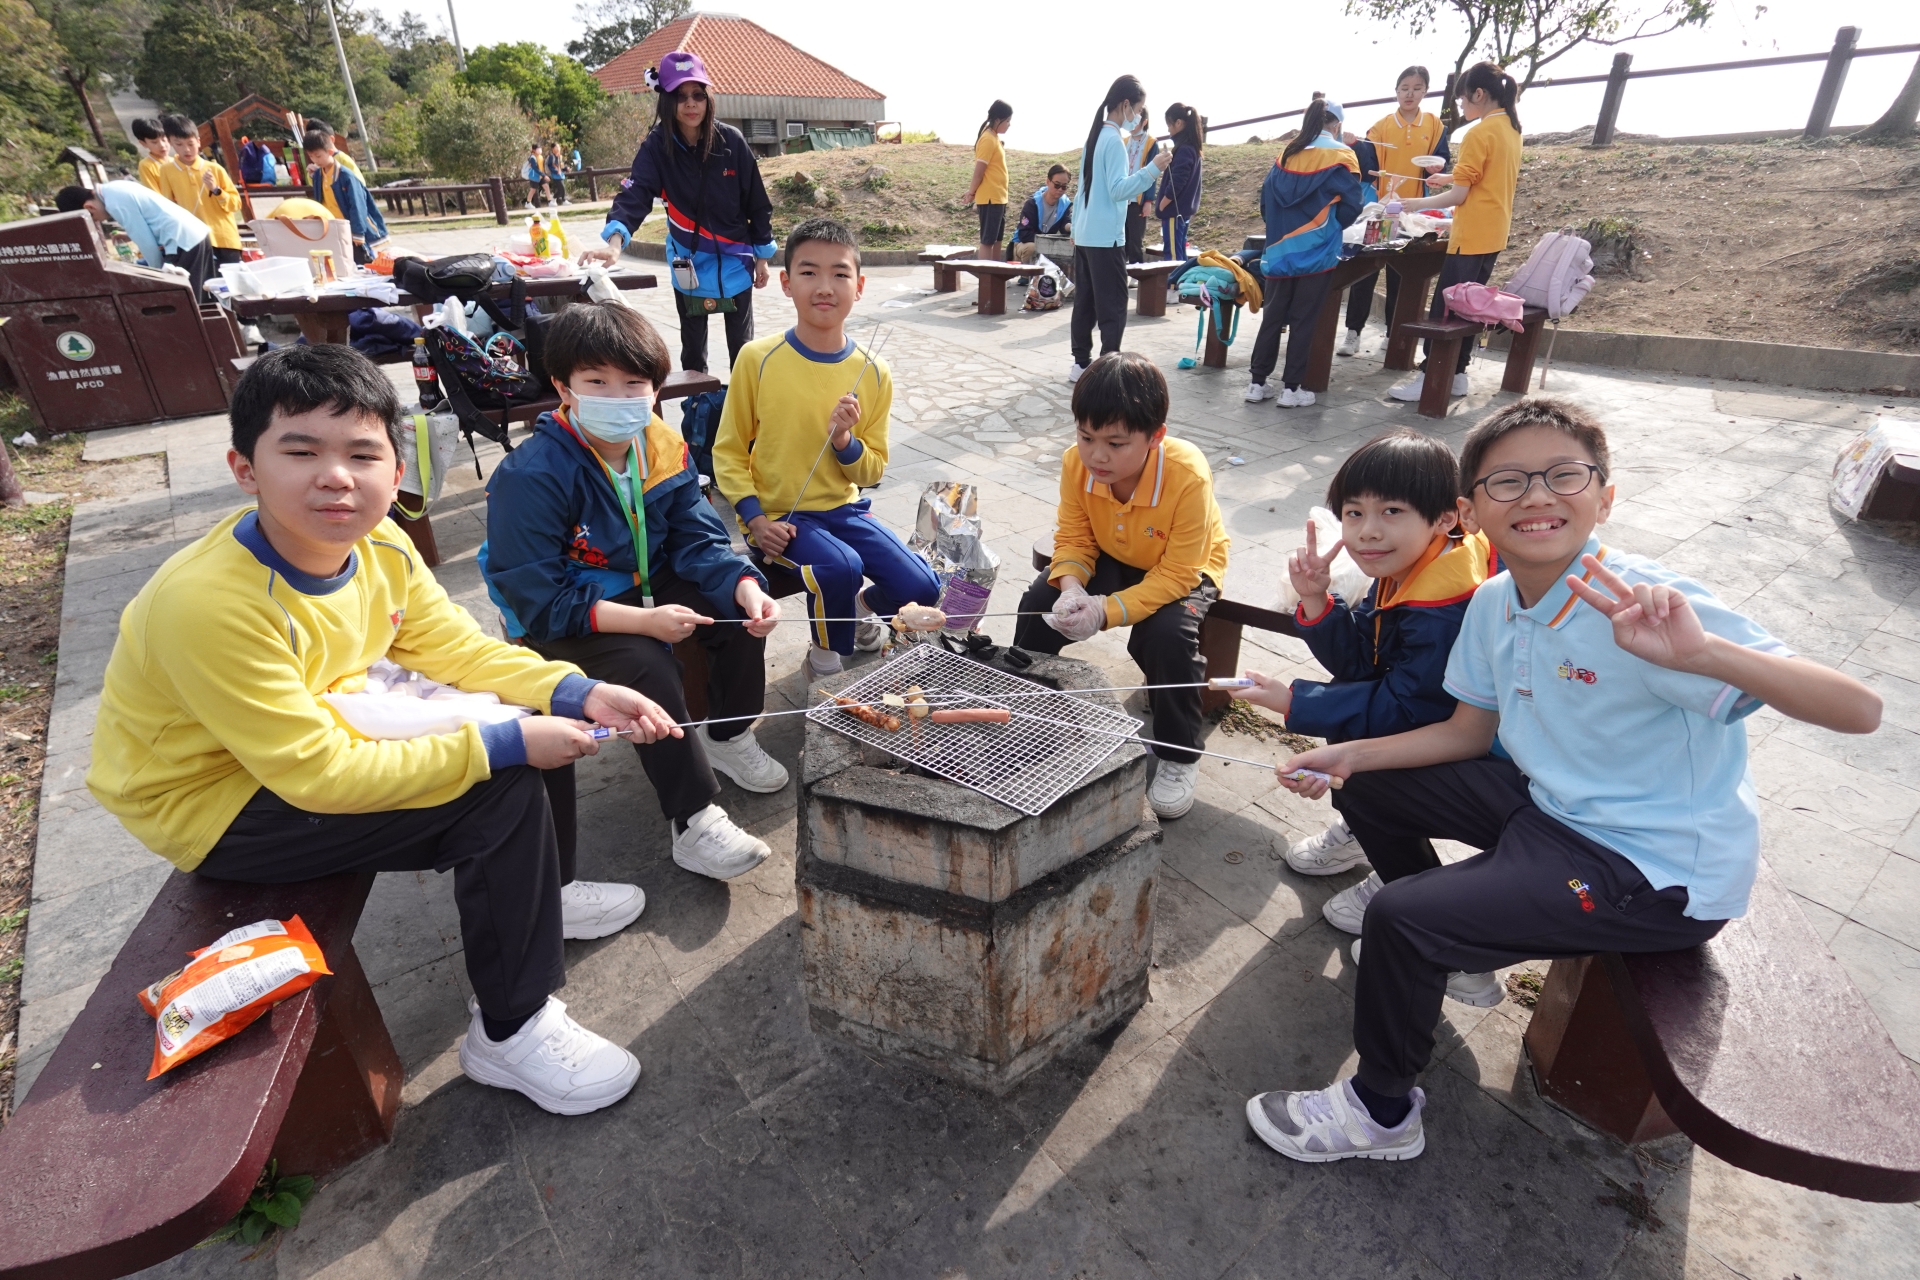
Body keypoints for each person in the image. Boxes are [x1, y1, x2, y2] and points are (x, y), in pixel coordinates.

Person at [1245, 397, 1882, 1163]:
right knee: (1372, 785)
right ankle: (1458, 941)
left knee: (1401, 919)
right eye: (1508, 481)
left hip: (1651, 867)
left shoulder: (1642, 602)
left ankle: (1381, 1115)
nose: (1537, 495)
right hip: (1549, 811)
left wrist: (1704, 656)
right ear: (1470, 512)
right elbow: (1465, 733)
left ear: (1604, 497)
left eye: (1563, 475)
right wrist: (1349, 756)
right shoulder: (1492, 600)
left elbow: (1860, 710)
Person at [87, 344, 689, 1116]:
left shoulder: (379, 543)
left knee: (536, 718)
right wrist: (508, 744)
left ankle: (545, 895)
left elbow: (457, 650)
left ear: (396, 468)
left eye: (363, 454)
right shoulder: (207, 604)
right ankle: (511, 1030)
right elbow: (319, 775)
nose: (337, 477)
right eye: (301, 452)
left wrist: (578, 690)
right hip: (216, 802)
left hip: (311, 729)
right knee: (500, 783)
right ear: (245, 470)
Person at [482, 302, 785, 878]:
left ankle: (726, 734)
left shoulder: (661, 446)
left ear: (655, 389)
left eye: (633, 384)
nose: (617, 397)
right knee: (646, 665)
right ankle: (693, 820)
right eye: (597, 382)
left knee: (734, 613)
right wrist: (644, 622)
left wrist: (744, 583)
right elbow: (538, 599)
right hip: (568, 604)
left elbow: (697, 536)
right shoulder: (532, 473)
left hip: (647, 577)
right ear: (563, 387)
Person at [1238, 431, 1494, 914]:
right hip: (1446, 721)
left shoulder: (1445, 606)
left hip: (1495, 752)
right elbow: (1362, 663)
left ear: (1447, 517)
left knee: (1358, 764)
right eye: (1354, 513)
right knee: (1349, 708)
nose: (1367, 531)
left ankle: (1410, 890)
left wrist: (1293, 701)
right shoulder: (1416, 563)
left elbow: (1410, 708)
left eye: (1391, 511)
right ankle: (1366, 833)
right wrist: (1316, 598)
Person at [711, 218, 940, 680]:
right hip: (780, 518)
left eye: (839, 273)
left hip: (844, 511)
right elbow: (728, 452)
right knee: (841, 567)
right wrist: (756, 520)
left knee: (922, 584)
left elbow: (872, 471)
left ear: (859, 286)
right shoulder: (757, 358)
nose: (824, 286)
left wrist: (843, 441)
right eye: (808, 272)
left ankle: (856, 611)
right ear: (786, 283)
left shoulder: (874, 371)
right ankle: (824, 664)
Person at [1012, 352, 1230, 822]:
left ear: (1156, 436)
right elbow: (1074, 537)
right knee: (1039, 602)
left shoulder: (1187, 474)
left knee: (1167, 638)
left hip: (1184, 566)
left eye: (1115, 443)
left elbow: (1178, 574)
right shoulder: (1076, 464)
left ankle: (1178, 754)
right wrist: (1072, 588)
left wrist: (1105, 610)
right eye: (1086, 437)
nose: (1097, 456)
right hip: (1114, 551)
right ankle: (1027, 707)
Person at [582, 50, 775, 376]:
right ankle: (697, 408)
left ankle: (743, 410)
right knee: (693, 356)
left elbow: (757, 202)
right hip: (689, 267)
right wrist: (615, 243)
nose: (690, 104)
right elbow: (636, 194)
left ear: (708, 98)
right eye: (680, 96)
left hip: (736, 262)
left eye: (698, 94)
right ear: (667, 100)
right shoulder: (657, 146)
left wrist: (762, 257)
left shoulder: (732, 141)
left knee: (743, 352)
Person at [1388, 62, 1524, 403]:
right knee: (1472, 307)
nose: (1461, 106)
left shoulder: (1479, 132)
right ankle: (1457, 373)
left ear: (1479, 94)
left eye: (1462, 99)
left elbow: (1459, 196)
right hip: (1494, 231)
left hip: (1472, 233)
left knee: (1447, 309)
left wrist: (1414, 204)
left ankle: (1431, 376)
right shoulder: (1510, 128)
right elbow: (1484, 176)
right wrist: (1450, 177)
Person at [1245, 96, 1364, 409]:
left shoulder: (1286, 154)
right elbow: (1353, 205)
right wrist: (1330, 227)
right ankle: (1291, 389)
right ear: (1337, 124)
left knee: (1272, 318)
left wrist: (1280, 232)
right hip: (1317, 252)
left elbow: (1266, 202)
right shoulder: (1343, 155)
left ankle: (1257, 383)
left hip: (1278, 251)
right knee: (1303, 321)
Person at [1337, 66, 1450, 358]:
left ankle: (1393, 333)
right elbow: (1367, 165)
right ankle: (1353, 332)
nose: (1410, 94)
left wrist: (1438, 167)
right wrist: (1353, 144)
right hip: (1380, 209)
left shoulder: (1435, 125)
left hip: (1414, 213)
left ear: (1425, 91)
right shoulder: (1381, 126)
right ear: (1396, 91)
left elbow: (1442, 160)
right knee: (1365, 271)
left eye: (1417, 88)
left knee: (1403, 273)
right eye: (1404, 88)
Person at [1068, 75, 1172, 384]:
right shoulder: (1113, 140)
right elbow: (1117, 190)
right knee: (1113, 305)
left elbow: (1082, 190)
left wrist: (1075, 228)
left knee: (1085, 302)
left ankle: (1081, 364)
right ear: (1126, 105)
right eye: (1138, 109)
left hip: (1086, 234)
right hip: (1105, 237)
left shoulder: (1095, 136)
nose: (1138, 116)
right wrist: (1153, 169)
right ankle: (1107, 367)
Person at [55, 181, 216, 297]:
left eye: (93, 218)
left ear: (89, 207)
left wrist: (160, 278)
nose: (98, 221)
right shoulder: (113, 188)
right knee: (205, 292)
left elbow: (148, 245)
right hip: (194, 233)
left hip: (182, 242)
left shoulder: (114, 203)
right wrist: (128, 235)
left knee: (186, 297)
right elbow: (150, 217)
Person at [157, 114, 244, 267]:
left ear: (198, 142)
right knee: (202, 281)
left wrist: (216, 190)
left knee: (232, 280)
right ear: (170, 143)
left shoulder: (214, 169)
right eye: (179, 144)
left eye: (190, 144)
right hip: (194, 241)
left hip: (224, 239)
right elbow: (168, 207)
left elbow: (235, 204)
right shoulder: (166, 171)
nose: (186, 149)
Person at [304, 130, 389, 264]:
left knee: (363, 264)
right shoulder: (318, 175)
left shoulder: (346, 175)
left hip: (350, 228)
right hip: (331, 227)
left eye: (318, 156)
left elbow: (357, 205)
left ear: (330, 152)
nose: (315, 160)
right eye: (311, 156)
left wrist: (358, 232)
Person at [962, 100, 1012, 260]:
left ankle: (995, 273)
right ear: (997, 120)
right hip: (991, 197)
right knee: (988, 241)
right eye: (1007, 121)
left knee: (997, 240)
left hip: (999, 197)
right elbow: (979, 172)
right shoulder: (988, 139)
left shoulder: (994, 138)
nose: (1009, 125)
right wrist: (971, 193)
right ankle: (985, 275)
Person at [1156, 103, 1203, 263]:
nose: (1168, 129)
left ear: (1178, 123)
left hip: (1173, 212)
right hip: (1182, 212)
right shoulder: (1192, 148)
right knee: (1180, 251)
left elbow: (1178, 181)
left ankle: (1174, 279)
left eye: (1169, 125)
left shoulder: (1184, 150)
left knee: (1173, 256)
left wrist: (1163, 203)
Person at [1006, 164, 1073, 262]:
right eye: (1057, 185)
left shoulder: (1065, 205)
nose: (1060, 189)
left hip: (1045, 244)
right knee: (1032, 248)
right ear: (1048, 182)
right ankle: (1026, 272)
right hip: (1022, 244)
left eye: (1064, 187)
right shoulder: (1032, 203)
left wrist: (1071, 227)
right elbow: (1024, 234)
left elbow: (1065, 225)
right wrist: (1045, 241)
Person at [1123, 109, 1155, 263]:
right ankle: (1121, 272)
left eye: (1135, 120)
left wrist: (1148, 200)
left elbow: (1152, 173)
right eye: (1129, 119)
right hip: (1122, 197)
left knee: (1135, 241)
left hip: (1138, 199)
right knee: (1121, 240)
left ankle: (1136, 271)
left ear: (1144, 122)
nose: (1131, 123)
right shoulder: (1124, 141)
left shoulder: (1150, 143)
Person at [131, 117, 170, 193]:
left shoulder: (176, 160)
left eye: (163, 140)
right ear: (143, 143)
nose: (162, 145)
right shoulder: (146, 165)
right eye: (154, 142)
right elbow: (154, 194)